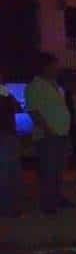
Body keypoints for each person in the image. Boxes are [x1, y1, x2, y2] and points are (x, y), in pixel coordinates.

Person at [25, 53, 73, 215]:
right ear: (45, 67)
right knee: (49, 171)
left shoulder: (54, 85)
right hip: (48, 136)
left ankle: (57, 198)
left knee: (58, 170)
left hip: (61, 134)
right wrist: (49, 131)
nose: (57, 69)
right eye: (54, 65)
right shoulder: (34, 86)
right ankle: (48, 204)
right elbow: (34, 112)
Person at [0, 70, 22, 217]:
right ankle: (7, 208)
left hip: (10, 134)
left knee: (12, 172)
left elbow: (18, 108)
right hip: (4, 136)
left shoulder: (5, 93)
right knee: (5, 173)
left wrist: (7, 95)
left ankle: (11, 206)